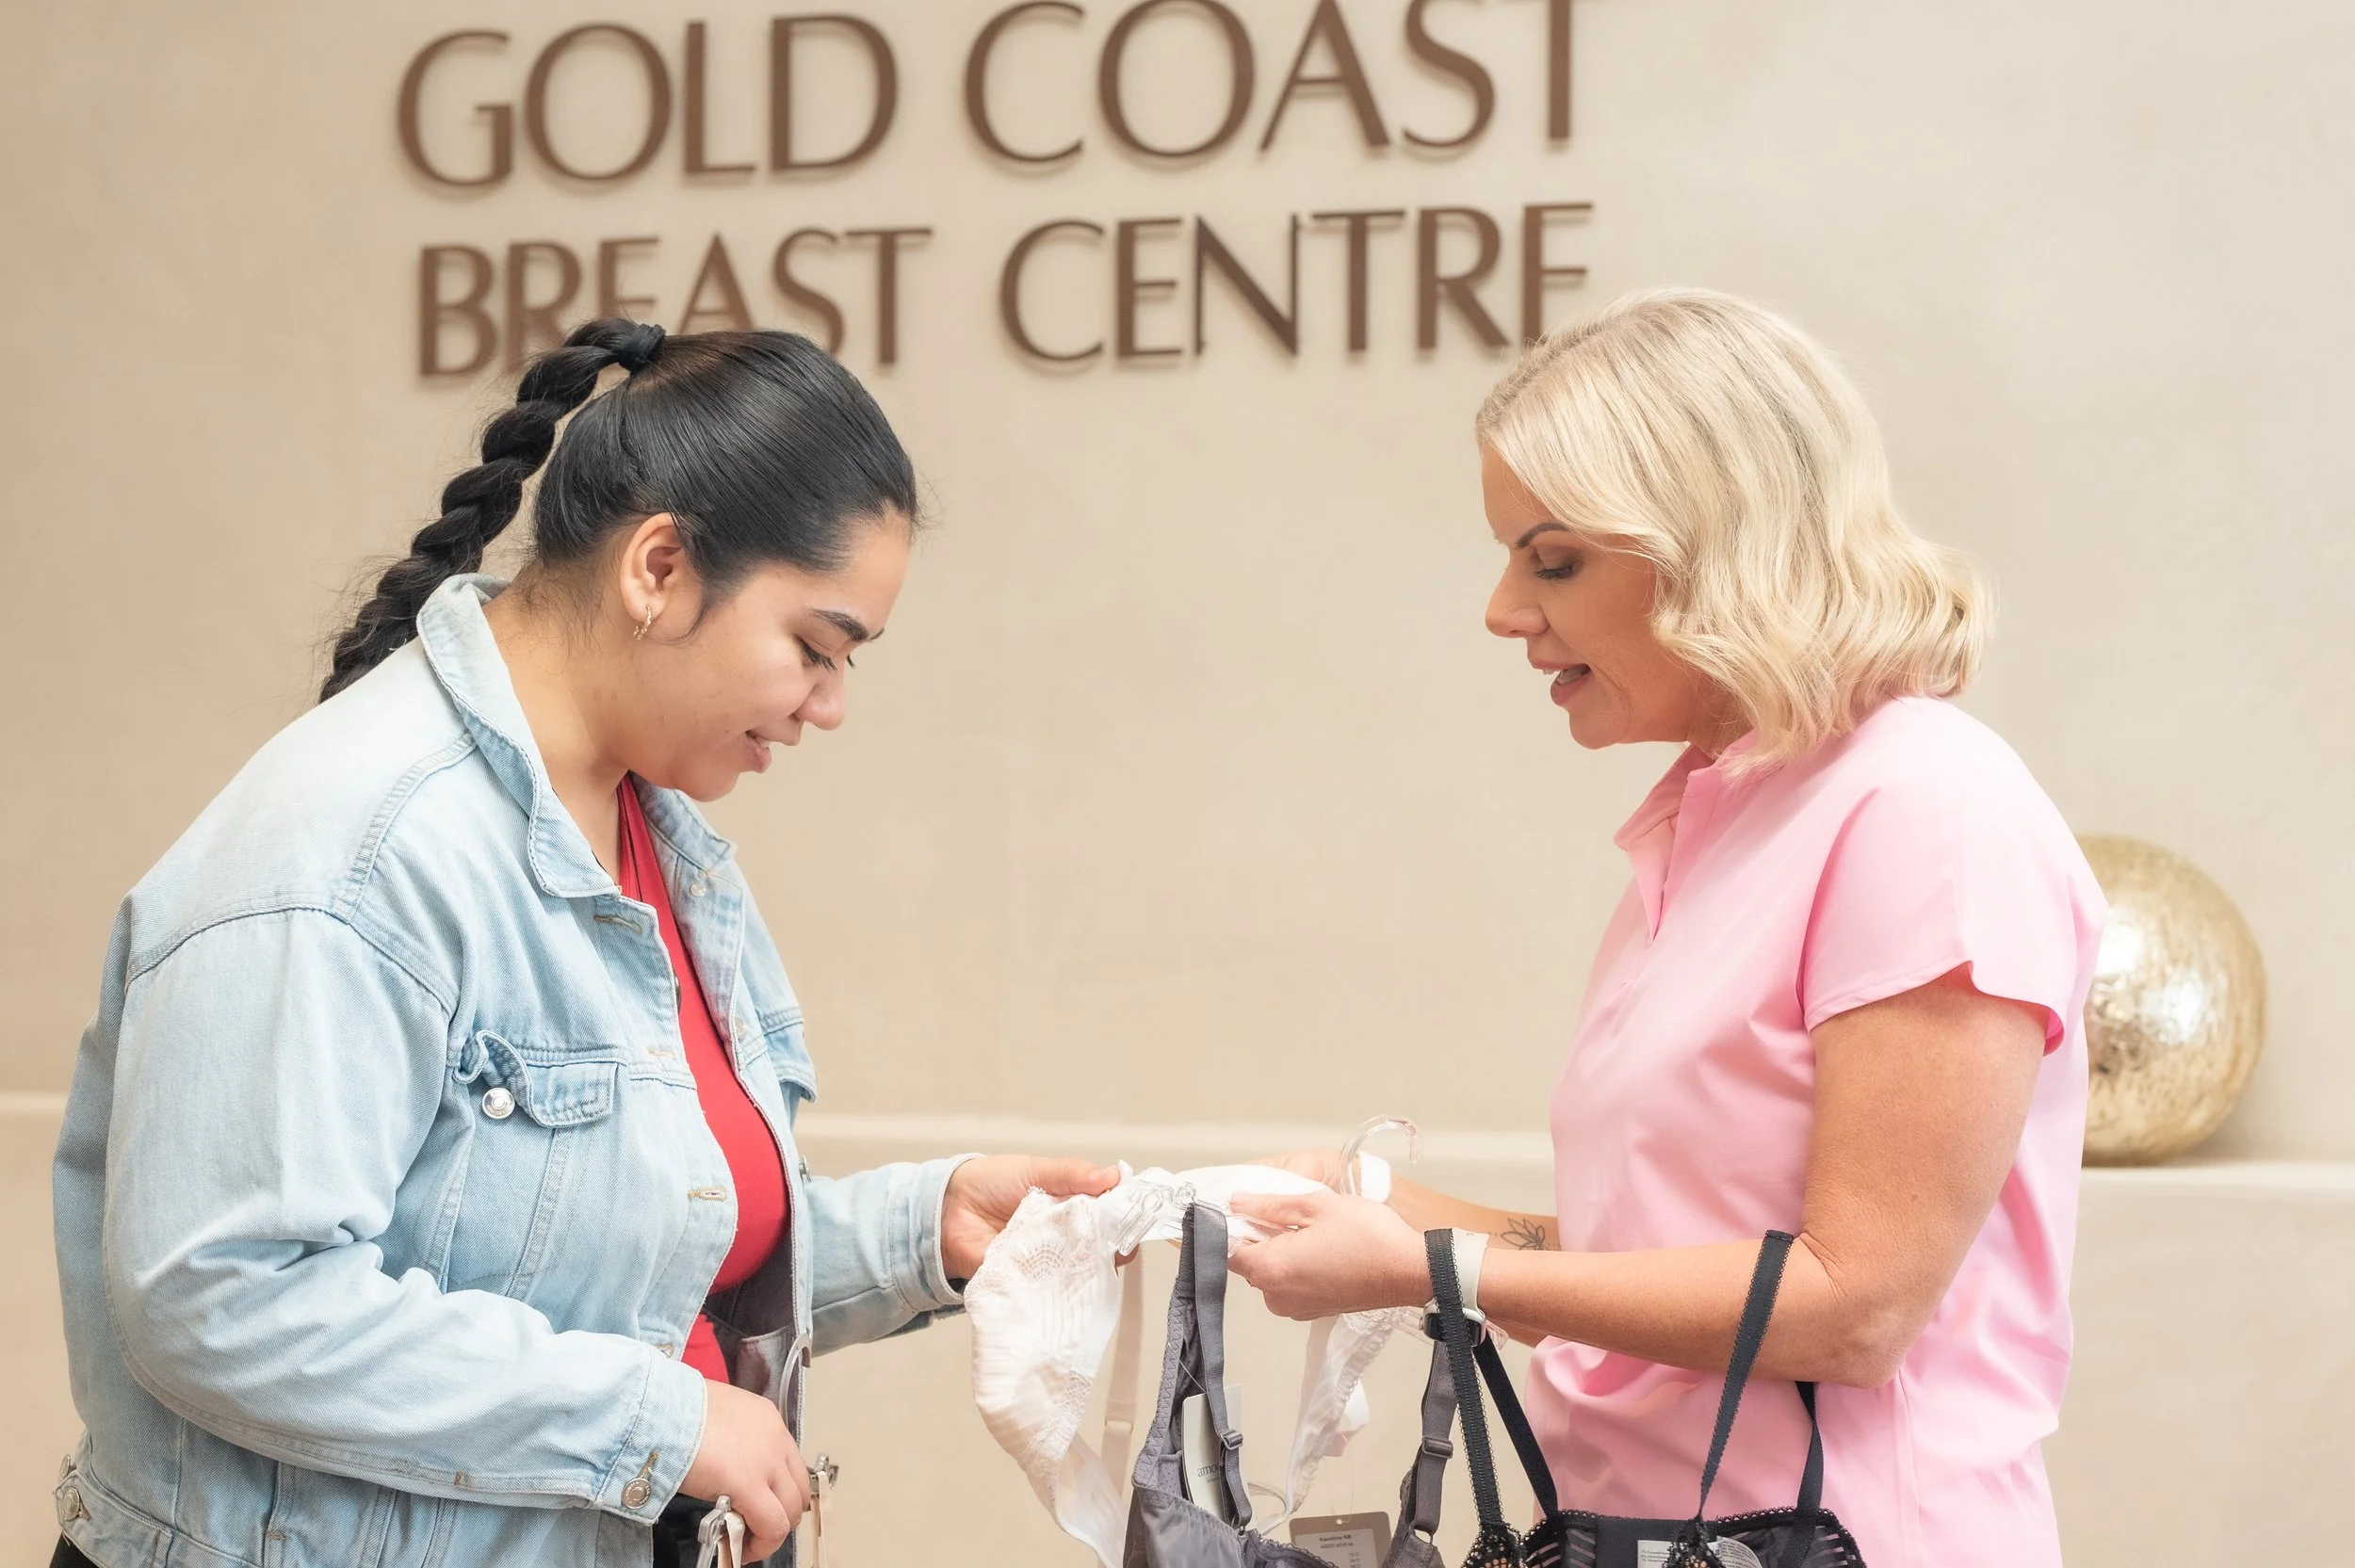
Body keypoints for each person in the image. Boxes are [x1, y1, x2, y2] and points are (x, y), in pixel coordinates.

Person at [50, 318, 1115, 1568]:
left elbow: (611, 1256)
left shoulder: (654, 834)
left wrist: (923, 1230)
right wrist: (655, 1421)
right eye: (815, 649)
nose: (830, 706)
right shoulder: (349, 849)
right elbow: (222, 1303)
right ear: (658, 567)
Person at [1229, 290, 2104, 1567]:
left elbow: (1850, 1307)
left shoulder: (1927, 811)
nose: (1503, 611)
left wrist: (1435, 1266)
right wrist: (1390, 1207)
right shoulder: (1723, 815)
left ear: (1714, 542)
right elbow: (1683, 1267)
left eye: (1553, 558)